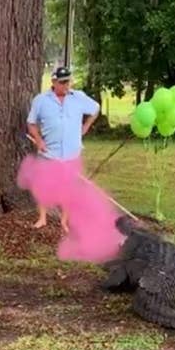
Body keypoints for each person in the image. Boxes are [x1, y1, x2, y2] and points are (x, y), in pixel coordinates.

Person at [26, 66, 100, 231]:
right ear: (54, 82)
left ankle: (64, 222)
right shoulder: (41, 100)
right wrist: (38, 140)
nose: (66, 85)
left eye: (68, 82)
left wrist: (86, 125)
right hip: (48, 153)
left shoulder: (78, 97)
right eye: (62, 82)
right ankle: (42, 218)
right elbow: (31, 123)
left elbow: (96, 109)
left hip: (71, 153)